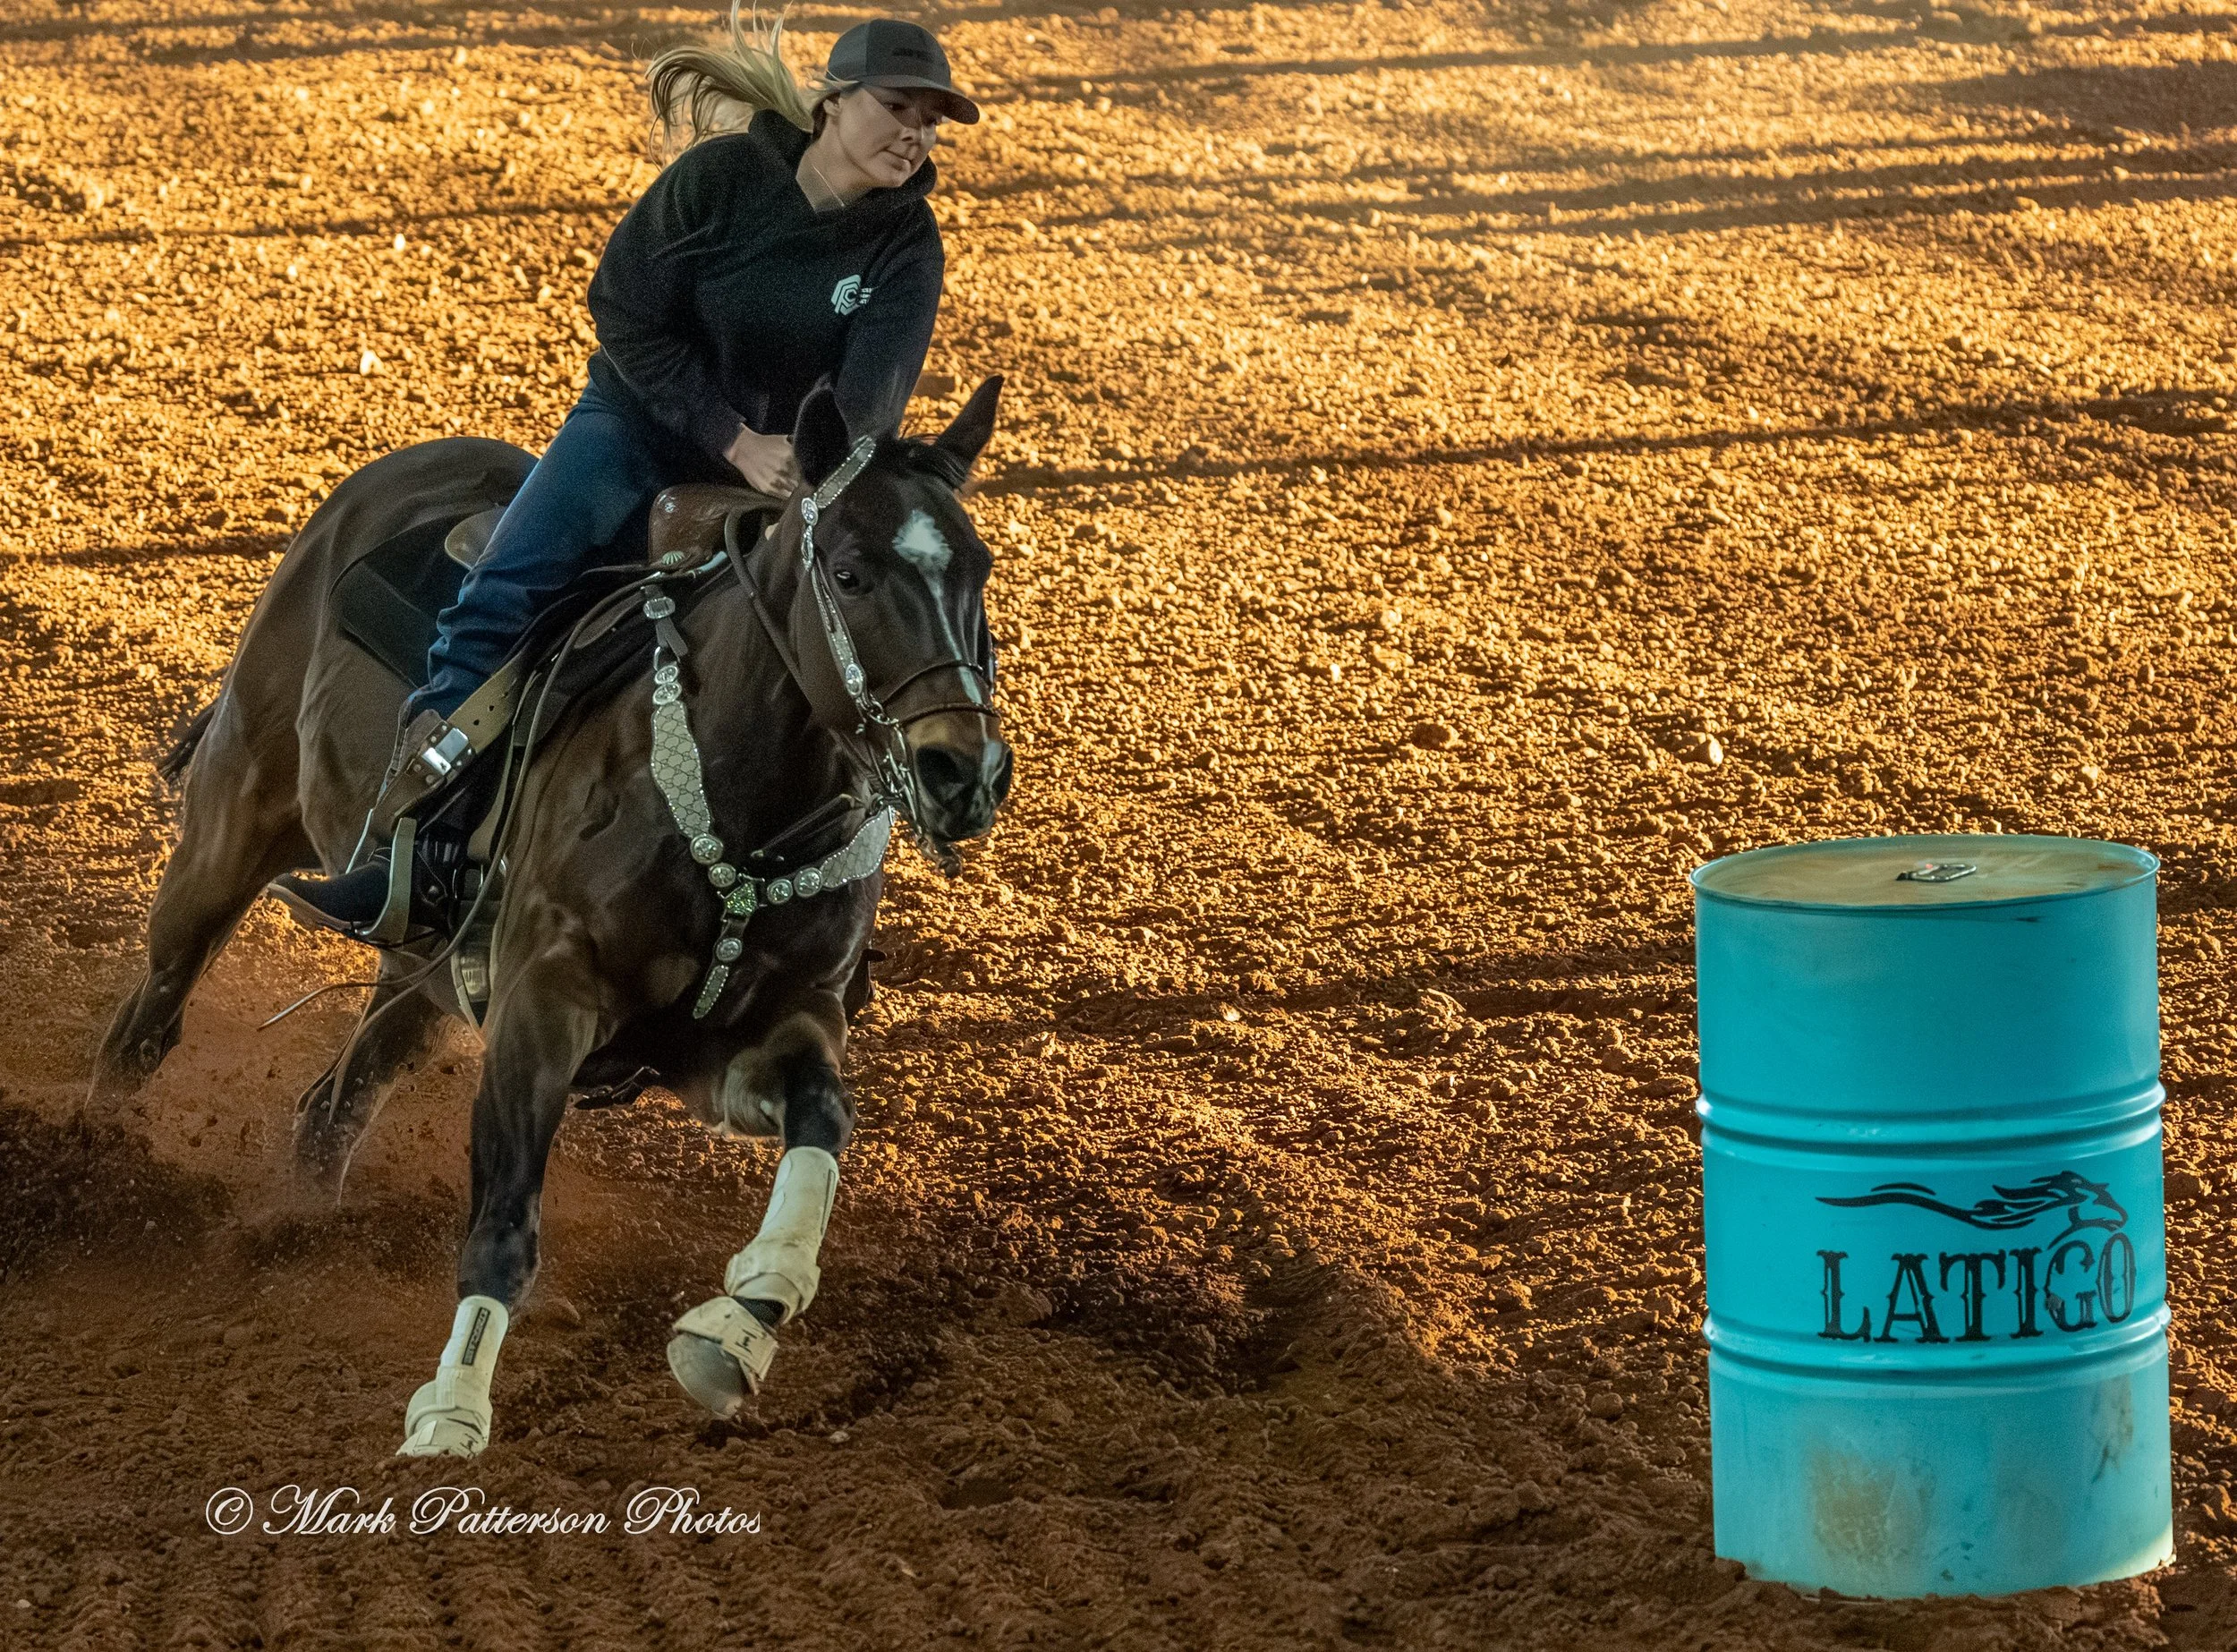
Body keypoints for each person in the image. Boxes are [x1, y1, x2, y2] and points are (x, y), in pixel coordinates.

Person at [277, 7, 978, 936]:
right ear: (832, 103)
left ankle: (820, 891)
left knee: (856, 626)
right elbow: (624, 309)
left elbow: (869, 405)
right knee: (507, 588)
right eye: (897, 107)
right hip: (635, 428)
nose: (914, 134)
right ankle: (406, 846)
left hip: (787, 477)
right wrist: (732, 436)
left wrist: (806, 464)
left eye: (931, 121)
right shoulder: (721, 181)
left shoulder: (907, 243)